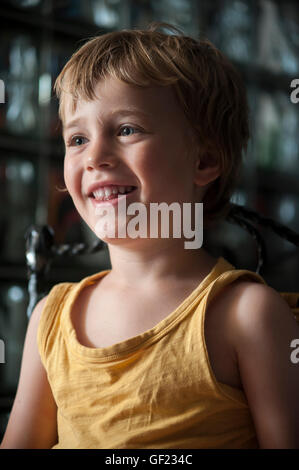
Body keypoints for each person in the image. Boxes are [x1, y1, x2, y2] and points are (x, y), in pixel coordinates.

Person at [1, 23, 299, 450]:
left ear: (205, 160)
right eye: (78, 138)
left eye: (126, 130)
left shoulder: (246, 315)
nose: (95, 157)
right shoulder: (51, 318)